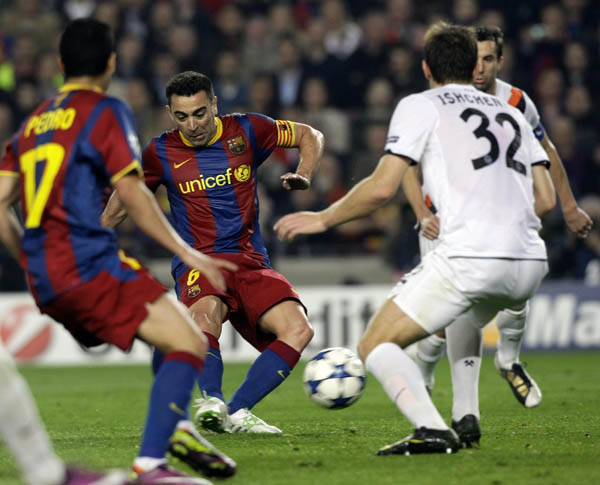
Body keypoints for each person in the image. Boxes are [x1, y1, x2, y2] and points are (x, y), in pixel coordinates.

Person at [275, 22, 556, 455]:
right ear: (472, 65)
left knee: (374, 345)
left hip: (471, 254)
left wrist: (324, 218)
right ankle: (467, 412)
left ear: (426, 68)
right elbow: (547, 197)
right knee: (460, 316)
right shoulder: (514, 112)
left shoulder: (420, 104)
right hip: (530, 262)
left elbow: (383, 186)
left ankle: (432, 428)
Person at [0, 18, 237, 484]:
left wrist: (28, 257)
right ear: (111, 62)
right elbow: (131, 192)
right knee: (188, 340)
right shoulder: (105, 110)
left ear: (61, 64)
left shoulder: (32, 124)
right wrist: (186, 252)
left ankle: (179, 427)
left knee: (160, 332)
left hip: (47, 279)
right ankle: (152, 463)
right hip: (88, 262)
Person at [403, 25, 594, 446]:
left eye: (489, 59)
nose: (480, 67)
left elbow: (546, 157)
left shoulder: (516, 102)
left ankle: (503, 365)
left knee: (503, 297)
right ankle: (434, 383)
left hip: (499, 221)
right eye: (475, 58)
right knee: (442, 321)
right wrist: (420, 211)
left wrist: (568, 205)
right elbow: (408, 164)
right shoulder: (438, 102)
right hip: (443, 222)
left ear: (500, 62)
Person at [102, 71, 324, 434]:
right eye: (182, 116)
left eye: (200, 113)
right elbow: (126, 199)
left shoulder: (248, 130)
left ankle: (234, 412)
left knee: (298, 329)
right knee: (204, 317)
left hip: (251, 260)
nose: (192, 125)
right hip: (199, 260)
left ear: (215, 105)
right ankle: (211, 399)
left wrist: (305, 172)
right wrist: (90, 239)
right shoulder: (159, 152)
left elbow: (308, 135)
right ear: (170, 114)